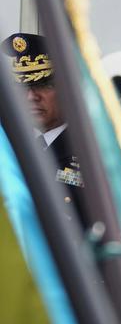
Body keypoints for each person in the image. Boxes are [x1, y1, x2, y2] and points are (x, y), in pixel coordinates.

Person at [2, 32, 83, 221]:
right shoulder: (13, 146)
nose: (31, 96)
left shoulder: (88, 150)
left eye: (43, 84)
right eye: (23, 86)